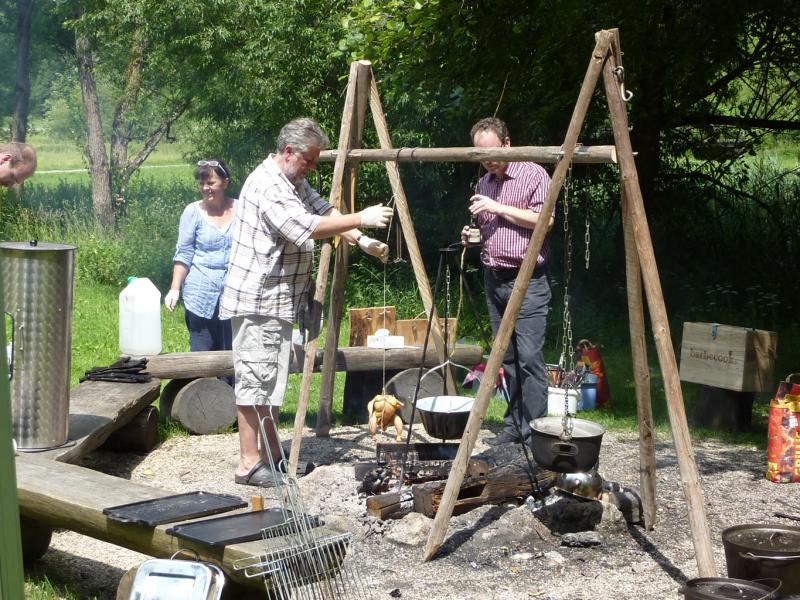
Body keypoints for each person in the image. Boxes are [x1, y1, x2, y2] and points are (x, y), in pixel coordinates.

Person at [220, 117, 391, 487]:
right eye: (309, 160)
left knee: (270, 381)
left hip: (279, 300)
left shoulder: (292, 180)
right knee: (255, 381)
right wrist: (362, 217)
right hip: (259, 301)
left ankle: (273, 456)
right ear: (288, 152)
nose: (313, 167)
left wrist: (361, 239)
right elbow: (305, 226)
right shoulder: (269, 185)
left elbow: (323, 209)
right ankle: (249, 463)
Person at [461, 117, 554, 445]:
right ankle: (515, 426)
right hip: (494, 279)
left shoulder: (534, 174)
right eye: (480, 154)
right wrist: (472, 237)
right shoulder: (484, 183)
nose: (487, 160)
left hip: (527, 281)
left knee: (528, 357)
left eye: (492, 152)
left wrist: (498, 207)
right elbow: (490, 229)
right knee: (507, 357)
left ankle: (535, 431)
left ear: (507, 143)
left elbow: (545, 220)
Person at [165, 159, 237, 354]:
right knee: (201, 355)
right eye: (201, 183)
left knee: (231, 355)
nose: (206, 188)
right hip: (200, 294)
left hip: (234, 294)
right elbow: (184, 253)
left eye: (211, 183)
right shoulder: (192, 212)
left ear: (225, 182)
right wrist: (174, 289)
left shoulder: (241, 209)